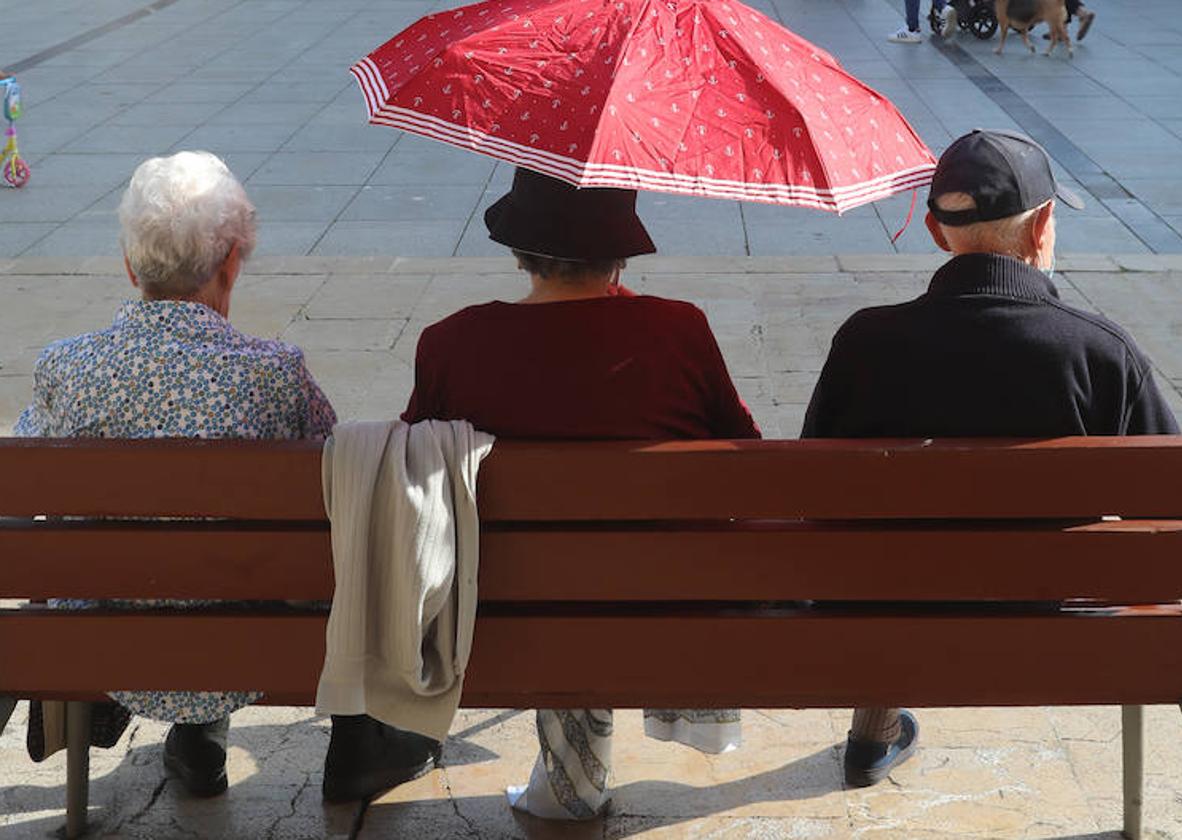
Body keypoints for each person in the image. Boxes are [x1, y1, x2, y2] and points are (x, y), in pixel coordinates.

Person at [15, 151, 433, 803]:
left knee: (161, 548)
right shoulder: (276, 375)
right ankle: (236, 734)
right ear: (233, 260)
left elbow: (27, 479)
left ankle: (197, 738)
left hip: (104, 642)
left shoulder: (66, 369)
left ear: (130, 265)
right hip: (249, 647)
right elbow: (338, 498)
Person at [801, 128, 1178, 787]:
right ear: (1043, 228)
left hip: (887, 621)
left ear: (935, 231)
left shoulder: (865, 343)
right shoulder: (1098, 353)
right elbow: (1175, 508)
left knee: (891, 558)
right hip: (1052, 628)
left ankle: (873, 728)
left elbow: (809, 500)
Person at [401, 167, 760, 818]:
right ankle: (570, 781)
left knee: (553, 567)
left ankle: (570, 783)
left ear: (519, 252)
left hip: (508, 609)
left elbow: (409, 473)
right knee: (620, 557)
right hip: (662, 605)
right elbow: (745, 457)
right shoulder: (679, 331)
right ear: (619, 249)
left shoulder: (451, 343)